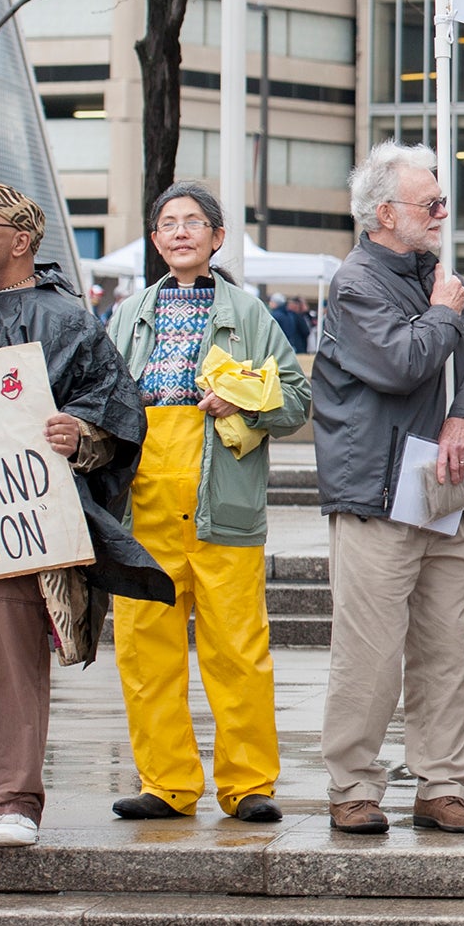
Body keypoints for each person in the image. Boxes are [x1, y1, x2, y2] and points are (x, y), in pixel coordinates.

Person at [0, 182, 174, 847]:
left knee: (13, 664)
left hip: (5, 530)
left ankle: (12, 800)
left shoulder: (65, 321)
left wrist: (81, 435)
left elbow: (117, 412)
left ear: (20, 241)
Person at [106, 185, 312, 823]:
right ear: (156, 239)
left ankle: (248, 784)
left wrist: (245, 399)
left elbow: (298, 399)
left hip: (225, 503)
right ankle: (165, 782)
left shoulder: (249, 315)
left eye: (193, 222)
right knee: (144, 649)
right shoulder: (126, 315)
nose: (179, 232)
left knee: (238, 649)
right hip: (143, 509)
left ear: (218, 237)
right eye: (167, 224)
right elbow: (102, 395)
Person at [315, 141, 464, 834]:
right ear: (384, 213)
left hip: (442, 489)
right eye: (431, 204)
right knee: (368, 652)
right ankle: (354, 785)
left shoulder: (440, 280)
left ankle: (442, 782)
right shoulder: (356, 284)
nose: (442, 214)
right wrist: (447, 312)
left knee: (446, 649)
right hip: (376, 492)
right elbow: (401, 363)